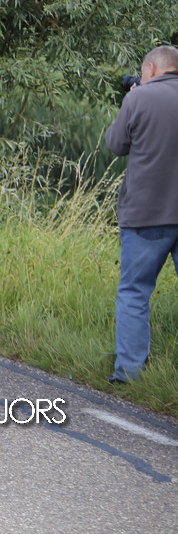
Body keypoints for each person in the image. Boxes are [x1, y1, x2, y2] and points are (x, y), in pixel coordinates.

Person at [104, 44, 178, 384]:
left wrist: (132, 99)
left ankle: (129, 374)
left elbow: (115, 144)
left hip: (147, 214)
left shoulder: (139, 99)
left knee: (135, 292)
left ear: (151, 69)